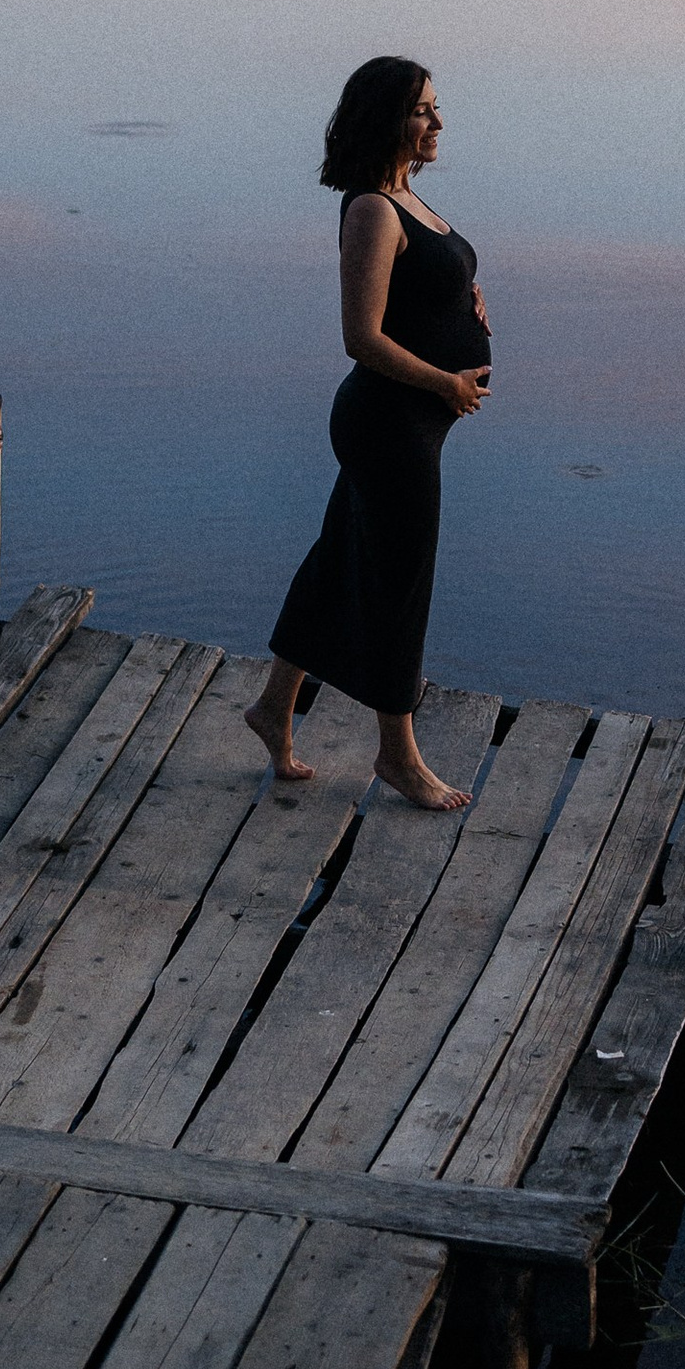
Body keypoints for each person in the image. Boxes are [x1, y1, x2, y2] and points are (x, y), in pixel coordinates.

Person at [249, 56, 491, 811]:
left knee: (338, 562)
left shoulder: (405, 199)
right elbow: (361, 337)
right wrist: (447, 382)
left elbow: (414, 293)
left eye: (436, 107)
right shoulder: (371, 211)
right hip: (389, 424)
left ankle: (270, 709)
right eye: (423, 110)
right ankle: (398, 755)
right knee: (398, 584)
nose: (438, 121)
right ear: (388, 120)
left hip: (411, 423)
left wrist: (462, 297)